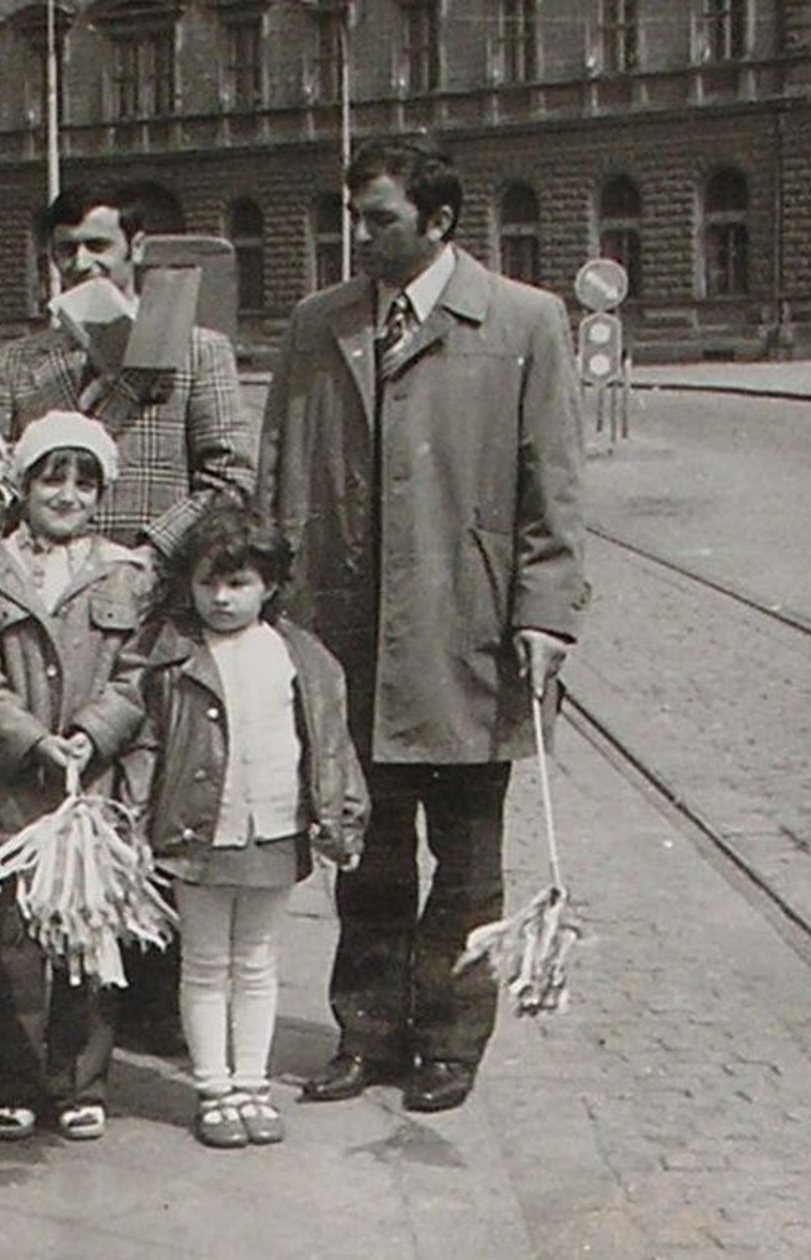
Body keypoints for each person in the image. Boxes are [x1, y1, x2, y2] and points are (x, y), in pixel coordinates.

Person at [258, 134, 588, 1114]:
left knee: (468, 862)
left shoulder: (524, 321)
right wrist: (272, 605)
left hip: (466, 640)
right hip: (346, 640)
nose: (358, 237)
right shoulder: (319, 323)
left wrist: (546, 615)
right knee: (365, 855)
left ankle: (447, 1041)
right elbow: (279, 468)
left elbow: (554, 489)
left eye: (379, 220)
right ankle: (366, 1034)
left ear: (439, 222)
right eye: (353, 218)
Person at [0, 180, 257, 1053]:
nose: (81, 263)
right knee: (52, 788)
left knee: (151, 787)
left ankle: (150, 992)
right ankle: (63, 998)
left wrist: (148, 552)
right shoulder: (26, 363)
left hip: (155, 607)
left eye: (98, 246)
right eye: (66, 250)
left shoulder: (195, 350)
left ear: (137, 250)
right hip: (49, 613)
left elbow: (229, 475)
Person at [107, 505, 365, 1149]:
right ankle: (214, 1088)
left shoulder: (301, 656)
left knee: (257, 959)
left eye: (239, 583)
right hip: (199, 827)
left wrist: (343, 817)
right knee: (203, 961)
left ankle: (252, 1083)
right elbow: (146, 744)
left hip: (274, 824)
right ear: (189, 585)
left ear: (269, 585)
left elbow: (330, 745)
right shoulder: (172, 655)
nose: (222, 598)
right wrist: (134, 821)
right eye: (208, 583)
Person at [0, 412, 154, 1143]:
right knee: (14, 941)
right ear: (24, 485)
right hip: (12, 787)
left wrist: (92, 734)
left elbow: (138, 673)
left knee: (89, 936)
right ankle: (14, 1081)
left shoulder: (127, 576)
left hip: (94, 786)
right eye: (51, 479)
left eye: (83, 483)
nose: (66, 495)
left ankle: (80, 1081)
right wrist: (34, 741)